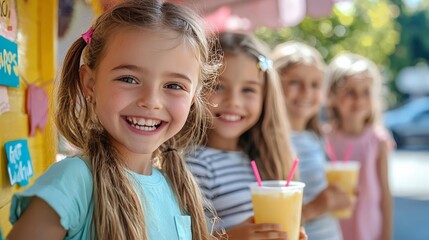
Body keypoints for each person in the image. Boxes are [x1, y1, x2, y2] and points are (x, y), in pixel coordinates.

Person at [7, 1, 222, 239]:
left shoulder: (178, 186)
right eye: (129, 79)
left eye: (173, 85)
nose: (151, 101)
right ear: (90, 83)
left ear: (193, 97)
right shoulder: (73, 181)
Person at [186, 32, 307, 240]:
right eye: (218, 86)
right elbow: (190, 236)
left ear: (265, 97)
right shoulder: (195, 164)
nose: (234, 101)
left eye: (248, 90)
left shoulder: (263, 160)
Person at [272, 41, 352, 240]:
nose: (307, 92)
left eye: (315, 84)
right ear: (273, 85)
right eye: (295, 82)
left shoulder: (314, 138)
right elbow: (271, 220)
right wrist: (317, 207)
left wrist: (337, 197)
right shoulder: (271, 143)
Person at [325, 53, 393, 240]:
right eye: (350, 92)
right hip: (332, 229)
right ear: (332, 96)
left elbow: (385, 194)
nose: (359, 99)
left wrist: (386, 235)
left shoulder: (378, 140)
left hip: (369, 229)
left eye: (365, 92)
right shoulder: (323, 139)